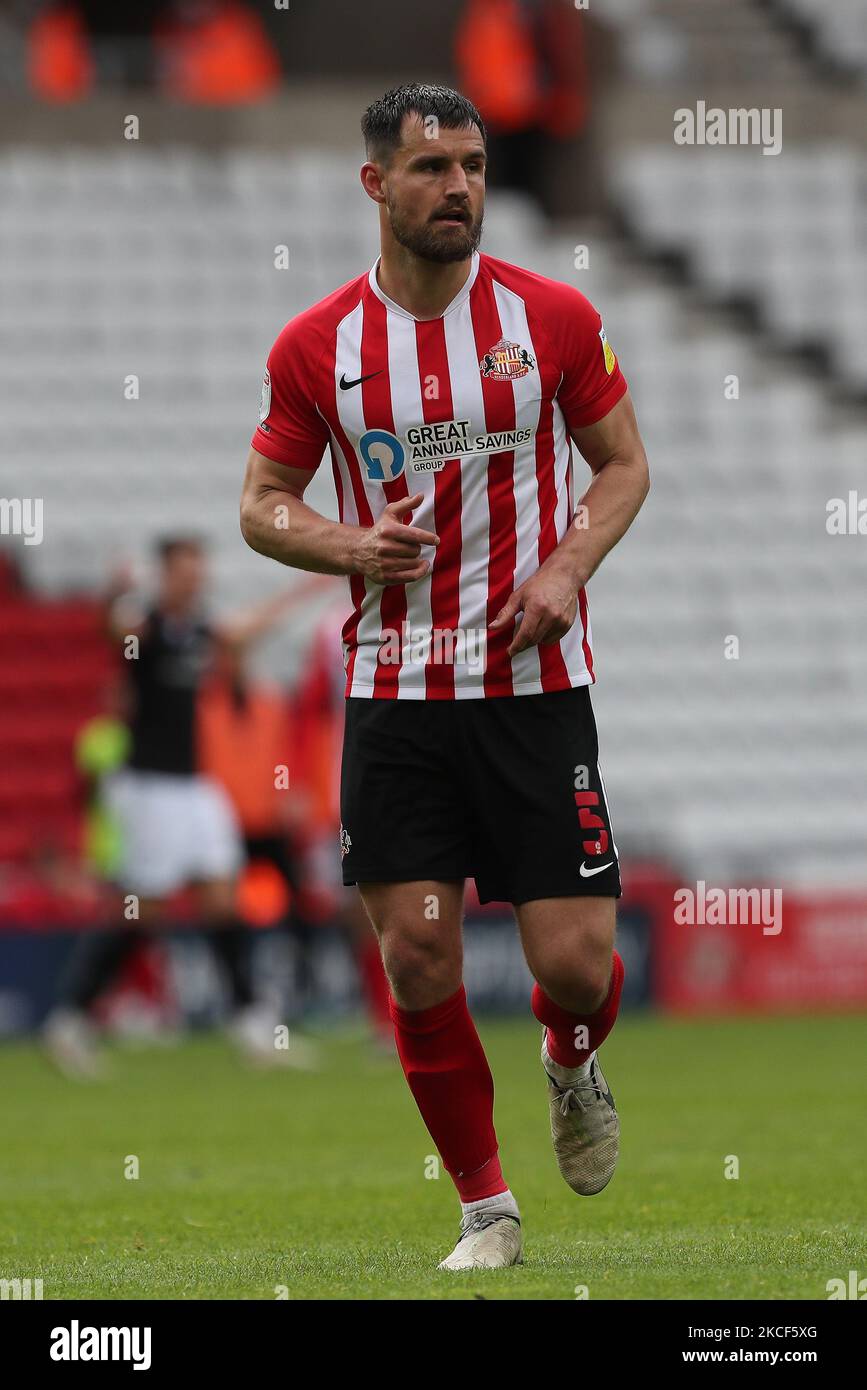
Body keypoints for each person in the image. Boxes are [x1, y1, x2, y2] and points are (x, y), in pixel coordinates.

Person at [239, 83, 650, 1271]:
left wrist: (571, 563)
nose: (457, 185)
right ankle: (487, 1210)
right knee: (418, 954)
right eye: (430, 169)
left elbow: (622, 465)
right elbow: (263, 507)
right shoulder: (320, 347)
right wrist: (351, 546)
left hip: (533, 685)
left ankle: (571, 1061)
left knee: (573, 964)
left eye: (470, 164)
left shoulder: (553, 318)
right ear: (377, 186)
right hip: (397, 695)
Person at [44, 538, 296, 1076]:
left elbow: (243, 632)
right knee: (143, 910)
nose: (193, 581)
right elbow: (112, 631)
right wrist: (113, 594)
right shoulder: (148, 629)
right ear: (164, 576)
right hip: (149, 788)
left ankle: (252, 1023)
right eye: (184, 572)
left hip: (193, 788)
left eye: (197, 571)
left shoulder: (200, 633)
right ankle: (70, 1020)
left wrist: (307, 588)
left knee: (224, 897)